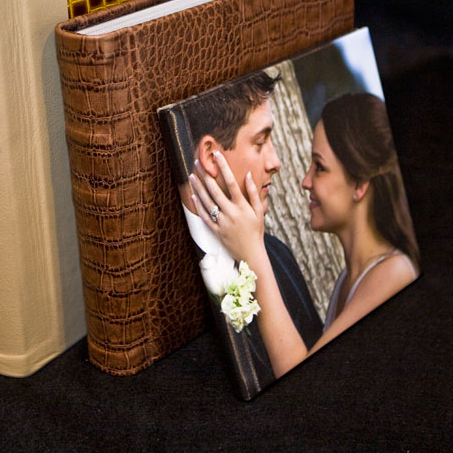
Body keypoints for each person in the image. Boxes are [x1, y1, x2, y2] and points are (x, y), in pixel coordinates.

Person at [192, 92, 420, 378]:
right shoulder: (347, 281)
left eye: (320, 167)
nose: (305, 181)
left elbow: (306, 380)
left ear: (359, 184)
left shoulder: (393, 273)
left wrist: (253, 252)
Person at [174, 70, 322, 391]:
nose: (275, 162)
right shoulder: (173, 276)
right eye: (260, 141)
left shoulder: (279, 255)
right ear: (211, 156)